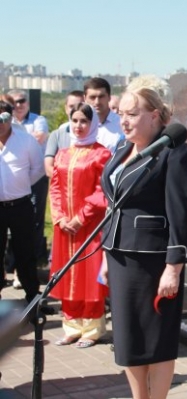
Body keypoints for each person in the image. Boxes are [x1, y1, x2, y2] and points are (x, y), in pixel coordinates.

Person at [99, 77, 187, 399]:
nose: (123, 120)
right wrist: (104, 254)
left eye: (132, 113)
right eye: (121, 113)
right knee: (128, 340)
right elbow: (114, 205)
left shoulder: (173, 154)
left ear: (155, 115)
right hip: (120, 256)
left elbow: (181, 216)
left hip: (153, 261)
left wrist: (174, 267)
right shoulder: (123, 149)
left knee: (157, 339)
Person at [49, 103, 111, 348]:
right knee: (66, 274)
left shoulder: (102, 154)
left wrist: (81, 217)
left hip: (89, 226)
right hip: (65, 227)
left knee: (89, 275)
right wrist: (60, 218)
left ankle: (92, 329)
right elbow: (54, 188)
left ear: (93, 123)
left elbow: (103, 191)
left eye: (84, 121)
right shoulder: (62, 153)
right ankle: (71, 326)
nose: (79, 126)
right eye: (75, 121)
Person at [0, 100, 44, 303]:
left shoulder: (26, 140)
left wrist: (20, 185)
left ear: (11, 118)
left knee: (25, 253)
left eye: (4, 117)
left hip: (20, 204)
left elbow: (38, 169)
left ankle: (33, 297)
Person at [7, 89, 49, 269]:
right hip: (10, 182)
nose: (18, 105)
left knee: (34, 221)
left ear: (28, 103)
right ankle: (11, 263)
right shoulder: (6, 121)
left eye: (22, 100)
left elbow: (37, 140)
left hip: (35, 178)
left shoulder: (38, 120)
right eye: (14, 102)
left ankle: (34, 258)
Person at [44, 90, 85, 177]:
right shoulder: (56, 135)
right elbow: (48, 168)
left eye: (80, 106)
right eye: (71, 106)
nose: (75, 110)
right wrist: (69, 181)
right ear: (66, 108)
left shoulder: (95, 134)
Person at [84, 77, 124, 153]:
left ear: (109, 97)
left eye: (101, 96)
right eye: (92, 97)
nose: (97, 102)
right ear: (85, 99)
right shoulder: (77, 126)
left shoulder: (121, 123)